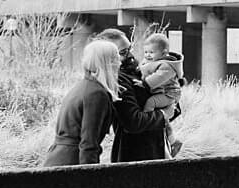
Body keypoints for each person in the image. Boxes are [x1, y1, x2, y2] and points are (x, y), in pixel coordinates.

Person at [96, 28, 171, 162]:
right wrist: (163, 115)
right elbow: (133, 122)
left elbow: (170, 104)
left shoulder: (139, 71)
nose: (130, 55)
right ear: (108, 57)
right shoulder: (118, 80)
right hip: (135, 155)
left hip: (153, 149)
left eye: (129, 48)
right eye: (123, 52)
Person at [42, 39, 120, 166]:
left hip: (59, 158)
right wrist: (89, 177)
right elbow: (88, 143)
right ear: (107, 63)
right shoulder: (97, 94)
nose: (120, 62)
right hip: (72, 162)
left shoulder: (83, 86)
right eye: (116, 58)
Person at [139, 33, 184, 156]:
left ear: (163, 53)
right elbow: (143, 70)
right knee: (163, 119)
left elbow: (157, 78)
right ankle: (173, 141)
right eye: (146, 52)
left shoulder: (166, 66)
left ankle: (148, 121)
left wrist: (144, 83)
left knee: (151, 102)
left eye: (151, 52)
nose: (148, 55)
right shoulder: (151, 62)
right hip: (163, 92)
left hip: (169, 94)